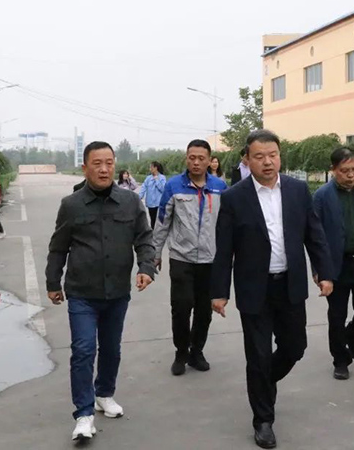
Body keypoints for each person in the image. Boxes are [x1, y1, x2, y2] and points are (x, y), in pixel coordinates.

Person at [212, 129, 334, 449]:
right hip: (255, 288)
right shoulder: (234, 197)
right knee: (258, 355)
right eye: (259, 156)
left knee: (295, 347)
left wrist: (324, 272)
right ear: (247, 160)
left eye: (273, 155)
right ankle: (263, 420)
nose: (267, 162)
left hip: (289, 285)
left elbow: (314, 234)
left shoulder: (297, 190)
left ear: (280, 156)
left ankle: (264, 383)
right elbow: (224, 249)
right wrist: (219, 291)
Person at [45, 141, 156, 442]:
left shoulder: (130, 202)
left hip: (117, 291)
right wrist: (53, 282)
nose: (104, 169)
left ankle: (104, 394)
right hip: (82, 292)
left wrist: (146, 267)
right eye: (97, 163)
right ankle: (83, 414)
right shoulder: (71, 205)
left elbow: (144, 239)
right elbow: (58, 247)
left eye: (109, 163)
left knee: (111, 348)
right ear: (85, 167)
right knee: (83, 350)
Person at [153, 140, 227, 376]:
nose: (196, 162)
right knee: (181, 307)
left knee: (204, 311)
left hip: (210, 260)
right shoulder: (174, 186)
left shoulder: (220, 187)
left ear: (209, 160)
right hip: (181, 258)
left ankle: (197, 352)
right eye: (192, 157)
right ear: (186, 158)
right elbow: (163, 221)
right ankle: (181, 352)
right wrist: (155, 253)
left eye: (201, 158)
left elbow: (227, 225)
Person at [312, 147, 354, 381]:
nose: (351, 175)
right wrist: (319, 270)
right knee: (337, 315)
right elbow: (314, 236)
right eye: (345, 170)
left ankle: (352, 337)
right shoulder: (322, 196)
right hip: (335, 266)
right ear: (333, 170)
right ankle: (340, 360)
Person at [139, 161, 166, 228]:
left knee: (159, 221)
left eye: (151, 167)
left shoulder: (162, 177)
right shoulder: (148, 178)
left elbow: (163, 189)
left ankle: (159, 233)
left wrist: (157, 180)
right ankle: (153, 233)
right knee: (152, 220)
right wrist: (139, 197)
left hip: (158, 204)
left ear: (155, 168)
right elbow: (143, 188)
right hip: (150, 203)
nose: (150, 169)